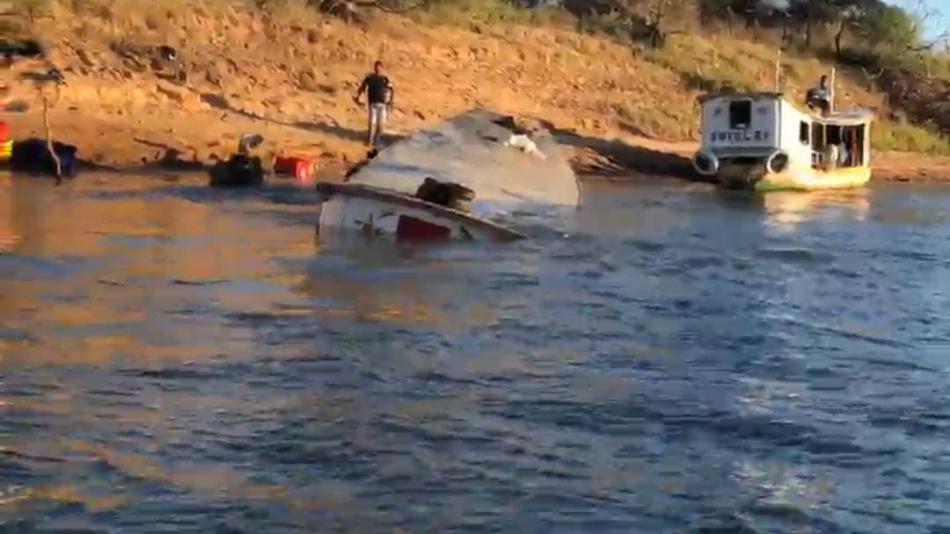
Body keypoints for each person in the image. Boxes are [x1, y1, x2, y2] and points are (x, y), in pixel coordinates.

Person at [354, 61, 393, 147]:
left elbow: (390, 90)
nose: (377, 68)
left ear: (382, 68)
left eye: (379, 67)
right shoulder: (370, 77)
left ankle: (377, 141)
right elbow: (362, 87)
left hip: (383, 104)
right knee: (372, 124)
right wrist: (357, 96)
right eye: (376, 67)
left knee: (381, 125)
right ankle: (369, 141)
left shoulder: (385, 79)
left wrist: (390, 102)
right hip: (373, 104)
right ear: (374, 68)